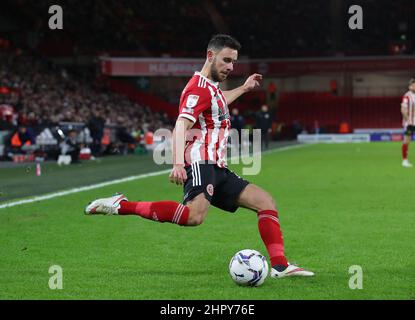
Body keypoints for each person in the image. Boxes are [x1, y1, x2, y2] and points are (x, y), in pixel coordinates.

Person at [85, 34, 314, 278]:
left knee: (265, 202)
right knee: (194, 217)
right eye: (226, 60)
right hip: (200, 162)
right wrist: (176, 163)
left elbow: (218, 101)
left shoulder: (211, 89)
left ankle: (280, 266)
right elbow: (181, 125)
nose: (230, 67)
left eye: (233, 62)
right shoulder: (198, 88)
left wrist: (244, 88)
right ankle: (122, 205)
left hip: (217, 166)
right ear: (210, 56)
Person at [401, 78, 415, 168]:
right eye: (413, 85)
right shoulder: (407, 96)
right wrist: (408, 120)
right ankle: (405, 161)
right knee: (407, 140)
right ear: (409, 86)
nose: (414, 87)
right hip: (409, 122)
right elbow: (403, 109)